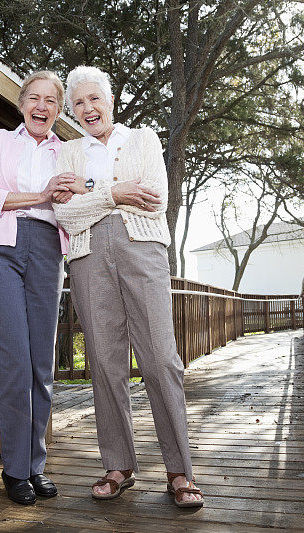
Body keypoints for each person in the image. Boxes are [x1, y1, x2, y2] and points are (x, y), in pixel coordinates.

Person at [52, 65, 204, 508]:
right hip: (86, 257)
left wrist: (92, 192)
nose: (86, 108)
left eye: (93, 99)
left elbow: (155, 195)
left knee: (160, 358)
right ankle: (118, 464)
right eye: (77, 103)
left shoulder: (143, 139)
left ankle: (180, 470)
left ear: (110, 100)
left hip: (142, 249)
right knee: (104, 359)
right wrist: (116, 193)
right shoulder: (68, 151)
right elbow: (65, 215)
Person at [0, 70, 73, 505]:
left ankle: (35, 465)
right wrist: (39, 196)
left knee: (41, 366)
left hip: (48, 249)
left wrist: (70, 196)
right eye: (35, 98)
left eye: (51, 100)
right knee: (14, 361)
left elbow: (80, 199)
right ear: (21, 103)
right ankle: (14, 470)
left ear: (58, 110)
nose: (42, 106)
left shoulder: (67, 154)